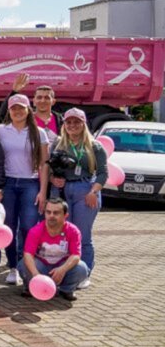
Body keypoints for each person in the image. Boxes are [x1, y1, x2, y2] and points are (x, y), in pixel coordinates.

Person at [0, 94, 49, 284]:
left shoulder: (39, 133)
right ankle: (12, 267)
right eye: (13, 108)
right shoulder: (0, 131)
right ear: (9, 111)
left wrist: (43, 191)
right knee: (9, 227)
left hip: (30, 184)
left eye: (21, 108)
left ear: (28, 110)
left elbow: (44, 164)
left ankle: (25, 264)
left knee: (28, 227)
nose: (17, 111)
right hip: (8, 184)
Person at [49, 108, 106, 282]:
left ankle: (84, 273)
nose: (72, 125)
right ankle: (66, 272)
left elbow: (103, 172)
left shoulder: (94, 145)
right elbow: (49, 168)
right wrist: (53, 178)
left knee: (82, 235)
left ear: (84, 124)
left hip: (85, 189)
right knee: (63, 234)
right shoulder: (58, 144)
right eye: (69, 122)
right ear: (64, 124)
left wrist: (93, 192)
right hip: (62, 191)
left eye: (77, 122)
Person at [19, 197, 89, 301]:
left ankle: (67, 290)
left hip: (61, 266)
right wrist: (36, 275)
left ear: (65, 215)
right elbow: (28, 254)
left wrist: (62, 270)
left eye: (56, 213)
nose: (51, 216)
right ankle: (32, 287)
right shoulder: (35, 230)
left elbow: (75, 255)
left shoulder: (73, 231)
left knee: (82, 268)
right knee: (23, 265)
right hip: (41, 267)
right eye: (48, 212)